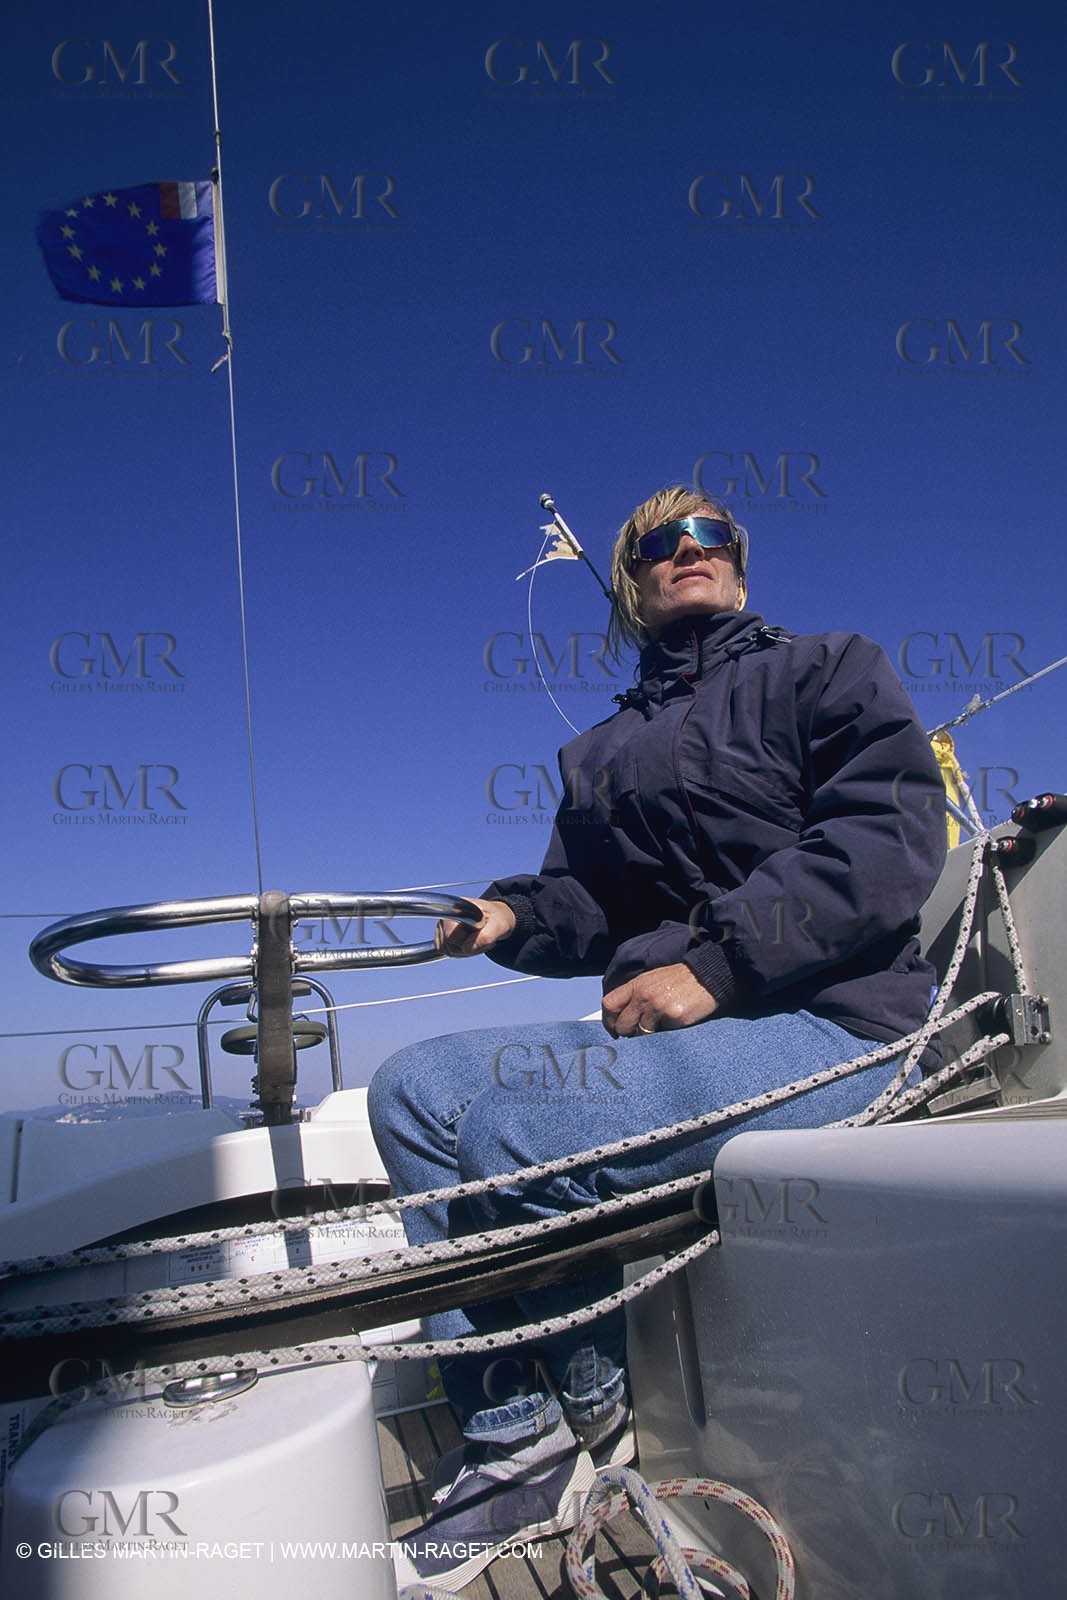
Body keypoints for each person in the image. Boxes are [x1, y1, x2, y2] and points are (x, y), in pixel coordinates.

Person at [368, 485, 946, 1590]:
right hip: (682, 1019)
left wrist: (718, 965)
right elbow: (590, 903)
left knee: (521, 1130)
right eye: (656, 544)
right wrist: (509, 916)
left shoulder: (826, 668)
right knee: (412, 1089)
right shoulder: (599, 750)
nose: (686, 549)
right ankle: (514, 1425)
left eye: (707, 535)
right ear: (630, 586)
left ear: (737, 564)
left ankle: (597, 1405)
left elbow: (884, 838)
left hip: (834, 1017)